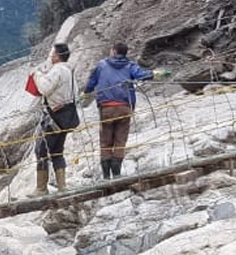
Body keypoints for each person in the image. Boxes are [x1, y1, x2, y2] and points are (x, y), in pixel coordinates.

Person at [82, 42, 154, 179]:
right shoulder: (130, 65)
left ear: (114, 51)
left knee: (105, 141)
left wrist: (85, 93)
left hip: (106, 108)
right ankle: (116, 173)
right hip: (124, 107)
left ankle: (106, 176)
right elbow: (142, 75)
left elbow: (91, 82)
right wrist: (155, 74)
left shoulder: (102, 65)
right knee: (120, 140)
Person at [31, 42, 76, 195]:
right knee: (57, 151)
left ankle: (41, 188)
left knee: (41, 149)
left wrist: (36, 75)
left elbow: (44, 88)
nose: (50, 57)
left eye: (52, 54)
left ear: (56, 56)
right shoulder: (69, 71)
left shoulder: (57, 70)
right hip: (67, 115)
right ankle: (62, 186)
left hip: (54, 115)